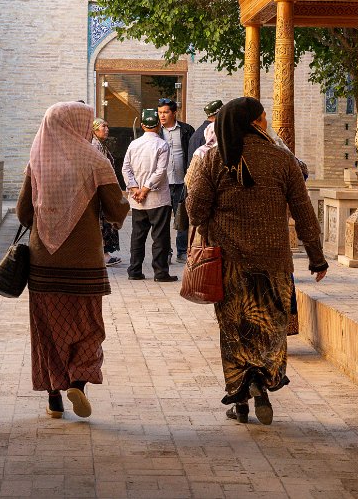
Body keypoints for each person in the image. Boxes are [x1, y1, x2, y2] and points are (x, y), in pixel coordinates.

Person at [186, 97, 328, 425]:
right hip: (274, 262)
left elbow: (195, 211)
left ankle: (241, 399)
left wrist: (210, 219)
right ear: (254, 122)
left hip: (229, 263)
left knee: (235, 328)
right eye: (263, 117)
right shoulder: (282, 159)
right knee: (268, 327)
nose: (266, 122)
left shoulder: (213, 159)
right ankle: (261, 383)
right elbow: (305, 212)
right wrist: (317, 258)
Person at [16, 101, 130, 419]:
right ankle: (78, 380)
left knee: (47, 331)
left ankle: (54, 398)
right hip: (85, 264)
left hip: (43, 263)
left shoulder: (37, 160)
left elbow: (23, 213)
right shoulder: (95, 159)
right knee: (87, 327)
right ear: (79, 124)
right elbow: (116, 209)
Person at [122, 109, 177, 282]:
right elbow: (161, 171)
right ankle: (160, 273)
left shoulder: (133, 144)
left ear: (142, 125)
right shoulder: (162, 145)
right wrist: (146, 189)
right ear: (159, 124)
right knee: (160, 236)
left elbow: (125, 168)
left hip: (137, 200)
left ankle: (134, 270)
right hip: (157, 198)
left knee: (137, 235)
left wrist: (134, 188)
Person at [157, 98, 195, 263]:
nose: (162, 116)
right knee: (163, 219)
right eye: (160, 113)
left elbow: (192, 153)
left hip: (181, 181)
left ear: (174, 113)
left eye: (165, 112)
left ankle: (181, 251)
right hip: (162, 183)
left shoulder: (186, 130)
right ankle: (166, 252)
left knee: (182, 218)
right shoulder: (156, 131)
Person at [92, 118, 121, 267]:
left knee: (106, 221)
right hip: (99, 191)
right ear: (95, 129)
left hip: (104, 191)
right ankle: (103, 255)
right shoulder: (94, 146)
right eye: (103, 126)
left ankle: (104, 253)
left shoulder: (101, 145)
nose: (107, 129)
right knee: (101, 223)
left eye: (107, 126)